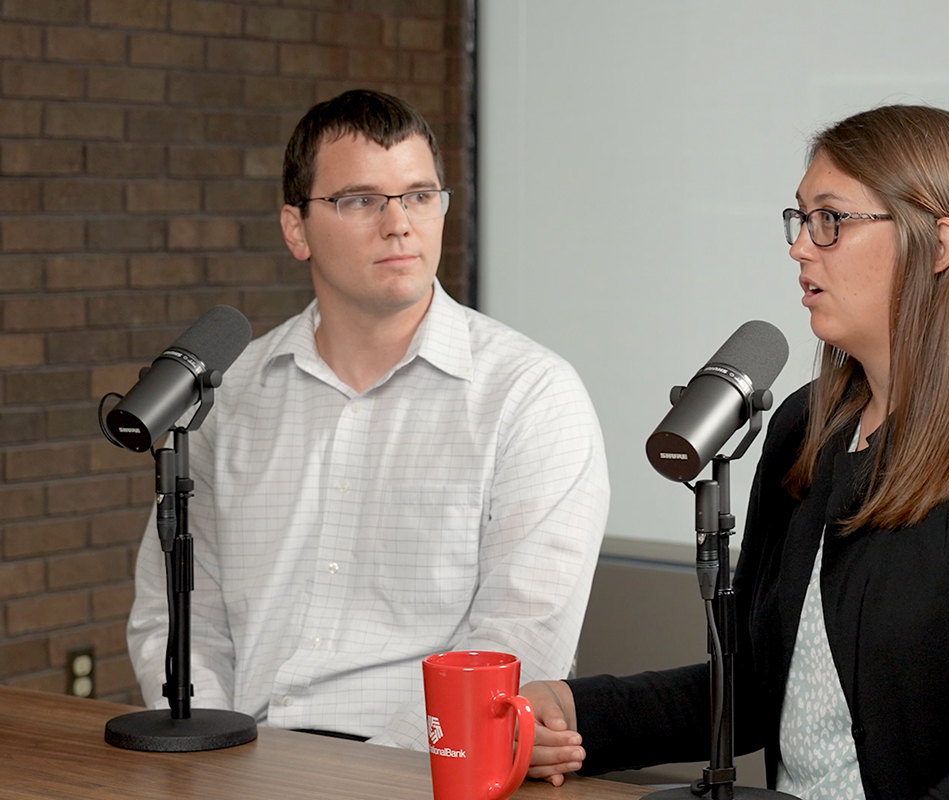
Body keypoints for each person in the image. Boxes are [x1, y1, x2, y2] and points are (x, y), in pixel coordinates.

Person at [523, 105, 949, 799]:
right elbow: (763, 683)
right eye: (800, 220)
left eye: (832, 220)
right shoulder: (809, 424)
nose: (801, 247)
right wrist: (577, 714)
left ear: (938, 244)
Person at [127, 89, 610, 748]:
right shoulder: (227, 398)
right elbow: (176, 619)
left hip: (430, 767)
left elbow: (521, 635)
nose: (399, 223)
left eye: (418, 195)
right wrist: (212, 753)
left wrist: (378, 776)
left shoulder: (529, 395)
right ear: (296, 229)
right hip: (243, 760)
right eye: (359, 199)